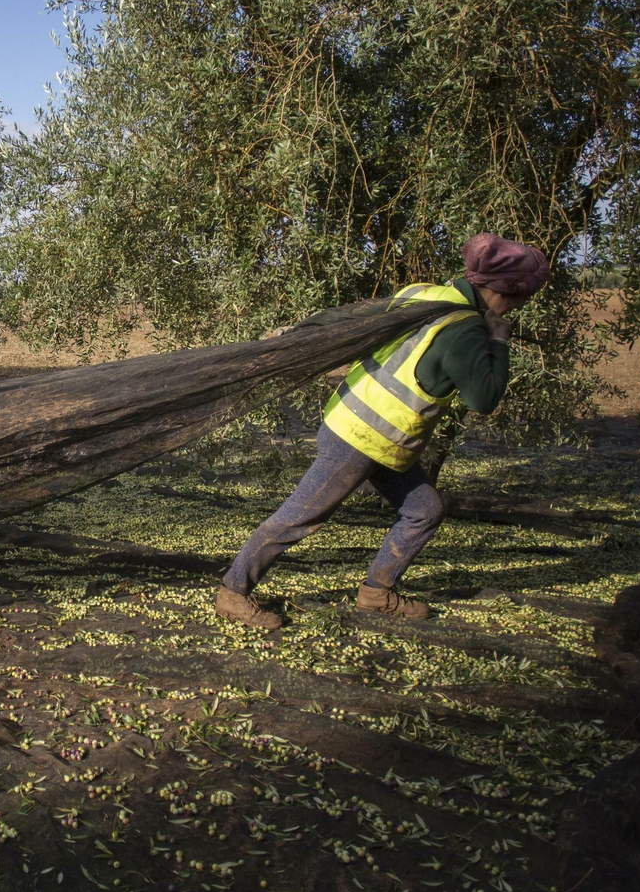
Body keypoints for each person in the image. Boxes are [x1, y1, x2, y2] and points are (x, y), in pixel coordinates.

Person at [213, 233, 549, 627]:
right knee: (301, 515)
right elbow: (484, 398)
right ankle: (233, 593)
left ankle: (377, 591)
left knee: (425, 510)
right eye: (520, 297)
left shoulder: (424, 293)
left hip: (377, 434)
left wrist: (304, 328)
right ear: (503, 292)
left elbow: (355, 316)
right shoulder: (466, 331)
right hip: (359, 437)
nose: (520, 305)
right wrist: (498, 340)